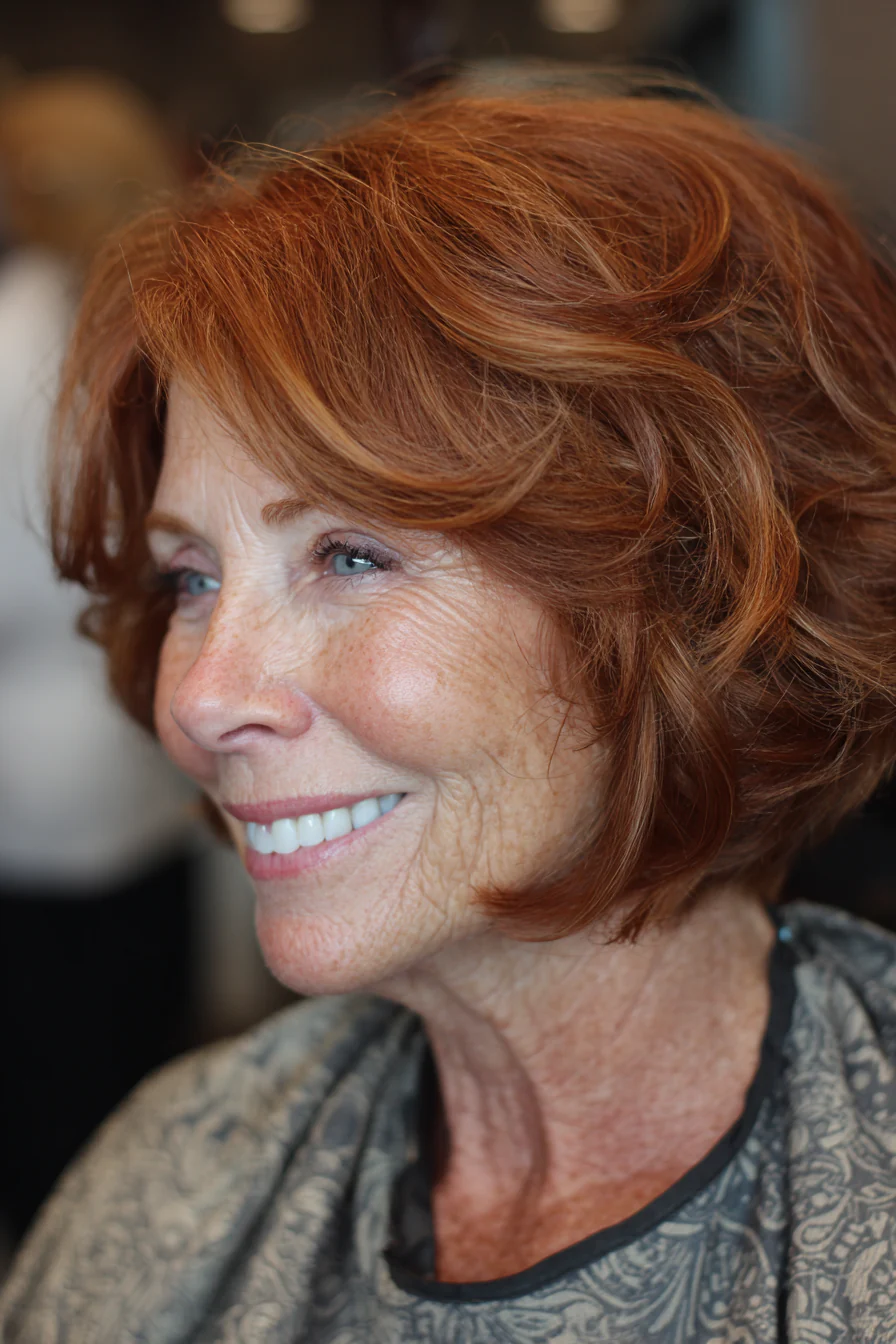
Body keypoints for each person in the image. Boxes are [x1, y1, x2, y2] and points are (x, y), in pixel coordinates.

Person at [2, 76, 896, 1341]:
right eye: (191, 577)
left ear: (687, 588)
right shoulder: (167, 1180)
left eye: (348, 556)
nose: (201, 699)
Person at [0, 73, 196, 1244]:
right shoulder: (163, 325)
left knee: (52, 1096)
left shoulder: (28, 327)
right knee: (129, 1069)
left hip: (46, 766)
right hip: (140, 750)